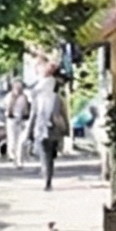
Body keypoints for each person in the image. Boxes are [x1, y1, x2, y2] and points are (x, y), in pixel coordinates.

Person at [30, 62, 69, 192]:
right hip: (48, 130)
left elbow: (34, 115)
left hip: (47, 130)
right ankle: (47, 178)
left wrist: (30, 130)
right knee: (47, 155)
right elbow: (64, 114)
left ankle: (47, 177)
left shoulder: (48, 99)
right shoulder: (54, 98)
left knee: (47, 155)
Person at [3, 76, 31, 164]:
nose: (18, 89)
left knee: (21, 140)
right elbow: (6, 108)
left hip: (21, 120)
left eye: (20, 87)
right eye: (16, 87)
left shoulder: (24, 96)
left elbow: (26, 108)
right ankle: (13, 155)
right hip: (11, 119)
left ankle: (19, 158)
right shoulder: (9, 96)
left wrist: (26, 116)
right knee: (12, 139)